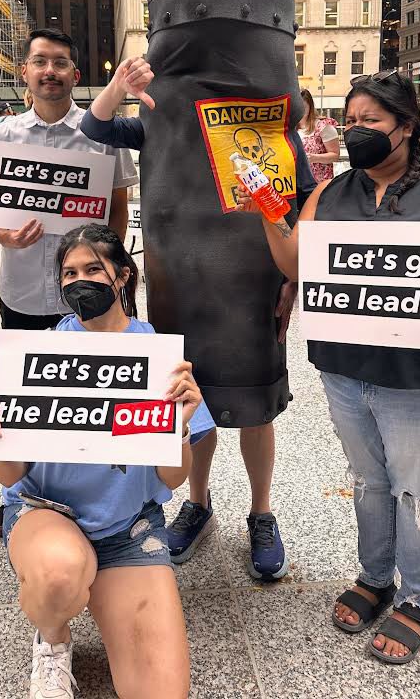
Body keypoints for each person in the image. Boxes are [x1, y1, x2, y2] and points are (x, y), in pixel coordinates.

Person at [237, 70, 420, 664]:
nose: (357, 131)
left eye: (371, 121)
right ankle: (376, 578)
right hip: (346, 370)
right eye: (351, 120)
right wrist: (268, 215)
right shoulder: (332, 193)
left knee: (419, 489)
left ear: (407, 125)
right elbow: (296, 263)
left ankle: (416, 599)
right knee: (370, 483)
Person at [81, 57, 317, 580]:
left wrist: (292, 278)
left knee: (257, 406)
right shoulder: (156, 118)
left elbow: (297, 207)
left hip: (254, 280)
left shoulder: (271, 126)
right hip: (180, 280)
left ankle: (261, 511)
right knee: (192, 398)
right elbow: (93, 126)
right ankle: (198, 501)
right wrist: (119, 85)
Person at [0, 225, 214, 699]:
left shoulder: (160, 357)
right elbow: (8, 475)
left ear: (123, 276)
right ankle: (52, 638)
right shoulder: (36, 355)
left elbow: (173, 477)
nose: (78, 281)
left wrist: (179, 427)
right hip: (46, 512)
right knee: (60, 575)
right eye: (68, 273)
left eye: (91, 270)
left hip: (127, 529)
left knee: (162, 693)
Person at [0, 29, 137, 537]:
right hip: (25, 291)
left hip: (90, 295)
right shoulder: (2, 135)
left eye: (60, 63)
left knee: (91, 394)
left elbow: (118, 204)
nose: (49, 71)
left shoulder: (103, 131)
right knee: (27, 394)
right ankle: (22, 493)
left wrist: (104, 265)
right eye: (39, 62)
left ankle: (91, 489)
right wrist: (3, 233)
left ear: (76, 73)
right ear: (24, 71)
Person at [297, 88, 340, 183]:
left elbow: (335, 155)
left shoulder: (323, 126)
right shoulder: (290, 128)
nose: (300, 111)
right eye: (296, 107)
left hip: (319, 183)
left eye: (303, 107)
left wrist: (314, 158)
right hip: (298, 183)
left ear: (310, 106)